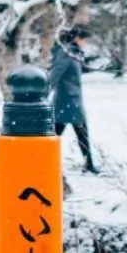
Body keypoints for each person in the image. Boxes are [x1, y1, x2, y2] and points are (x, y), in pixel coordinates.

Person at [48, 26, 99, 174]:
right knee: (61, 134)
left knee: (59, 134)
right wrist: (43, 94)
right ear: (76, 38)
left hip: (71, 101)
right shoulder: (66, 54)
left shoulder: (72, 54)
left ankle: (88, 164)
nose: (85, 43)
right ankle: (88, 165)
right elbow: (55, 75)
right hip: (67, 101)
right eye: (84, 40)